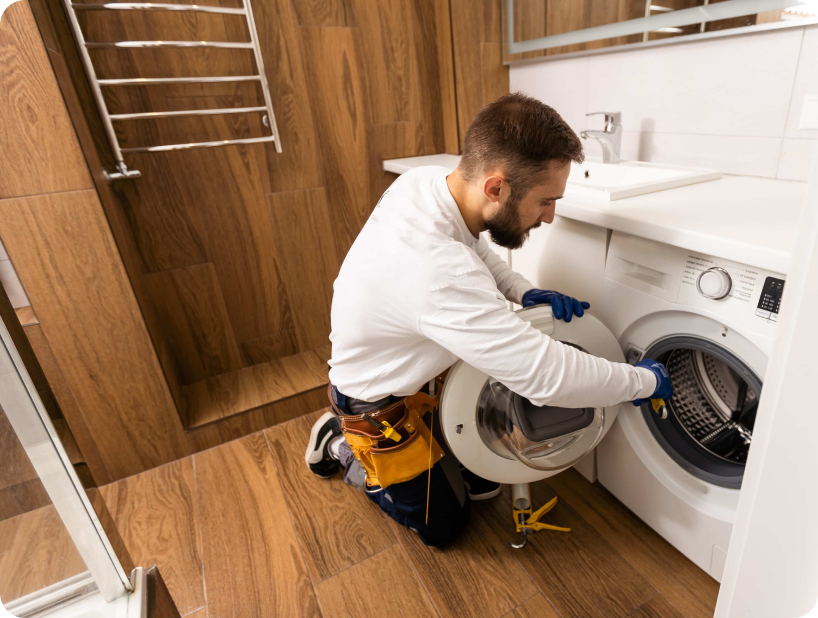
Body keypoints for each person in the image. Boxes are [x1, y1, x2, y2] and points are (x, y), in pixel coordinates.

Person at [305, 92, 673, 547]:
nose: (551, 215)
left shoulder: (428, 186)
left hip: (420, 373)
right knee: (446, 526)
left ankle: (422, 450)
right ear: (496, 188)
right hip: (374, 403)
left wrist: (522, 290)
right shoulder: (437, 275)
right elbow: (548, 375)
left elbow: (473, 244)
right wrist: (643, 382)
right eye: (544, 201)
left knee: (485, 487)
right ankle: (343, 447)